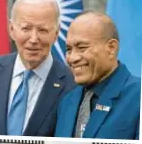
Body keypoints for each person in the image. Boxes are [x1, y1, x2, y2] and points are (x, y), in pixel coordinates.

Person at [0, 0, 76, 136]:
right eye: (26, 28)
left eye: (42, 30)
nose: (34, 39)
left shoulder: (73, 86)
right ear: (12, 29)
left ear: (56, 33)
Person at [54, 11, 141, 139]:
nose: (72, 58)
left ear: (111, 48)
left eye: (82, 47)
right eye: (68, 49)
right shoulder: (67, 102)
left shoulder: (137, 96)